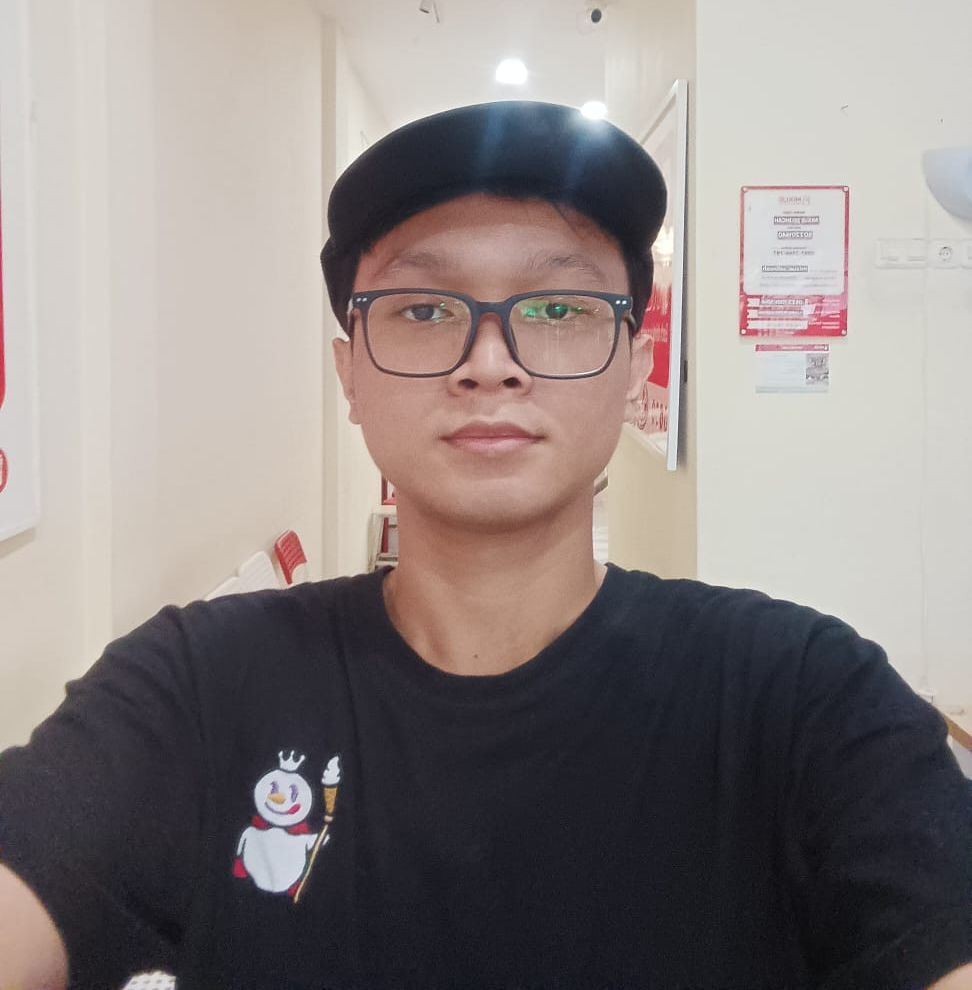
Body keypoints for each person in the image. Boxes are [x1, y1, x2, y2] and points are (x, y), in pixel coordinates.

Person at [1, 100, 970, 990]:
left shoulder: (803, 699)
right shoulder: (196, 689)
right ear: (350, 374)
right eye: (425, 310)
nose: (490, 363)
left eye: (557, 309)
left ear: (634, 363)